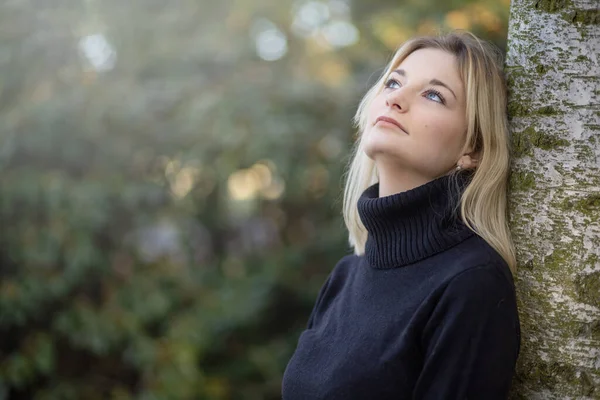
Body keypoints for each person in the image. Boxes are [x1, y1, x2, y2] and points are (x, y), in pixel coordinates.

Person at [281, 30, 521, 399]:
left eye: (433, 95)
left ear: (473, 148)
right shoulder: (346, 276)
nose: (396, 98)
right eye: (393, 82)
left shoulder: (472, 284)